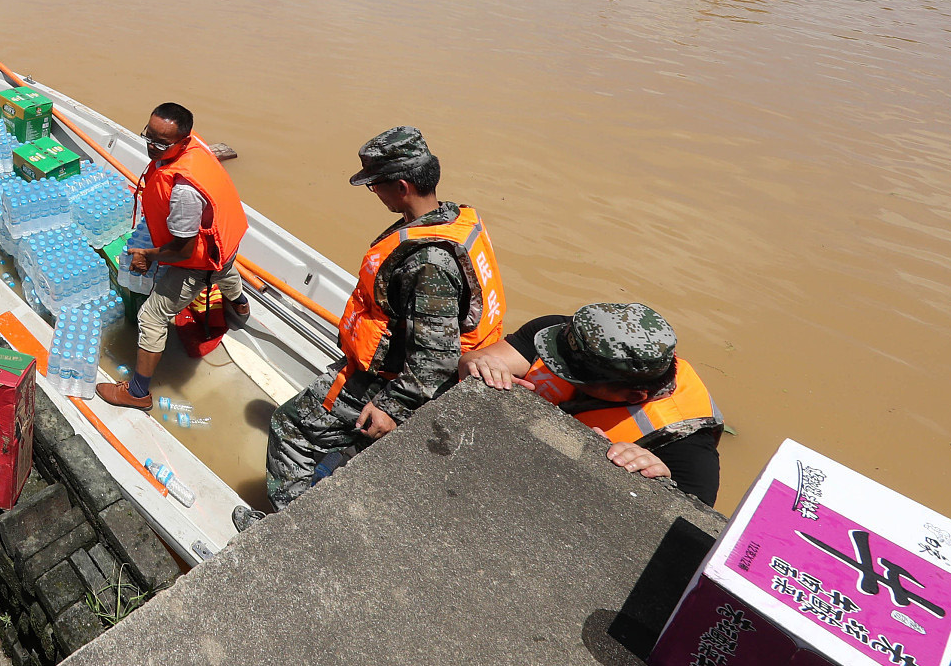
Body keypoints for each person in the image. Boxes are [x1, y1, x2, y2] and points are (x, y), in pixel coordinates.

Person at [246, 127, 505, 528]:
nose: (373, 193)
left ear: (401, 186)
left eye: (374, 185)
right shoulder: (454, 219)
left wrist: (391, 408)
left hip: (393, 380)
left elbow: (436, 357)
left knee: (291, 428)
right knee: (349, 448)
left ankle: (286, 530)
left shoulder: (430, 263)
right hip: (404, 364)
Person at [459, 302, 723, 506]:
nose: (555, 364)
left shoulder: (688, 450)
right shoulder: (569, 338)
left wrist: (658, 482)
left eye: (573, 373)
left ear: (634, 396)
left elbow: (690, 528)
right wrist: (478, 365)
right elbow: (474, 361)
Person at [94, 102, 252, 412]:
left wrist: (148, 256)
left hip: (199, 259)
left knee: (151, 317)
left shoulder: (184, 191)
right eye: (149, 136)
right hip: (226, 241)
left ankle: (138, 392)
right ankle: (240, 303)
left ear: (182, 140)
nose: (152, 147)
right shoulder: (197, 148)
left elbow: (184, 251)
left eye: (162, 143)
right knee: (224, 268)